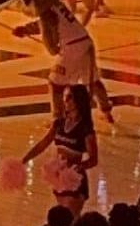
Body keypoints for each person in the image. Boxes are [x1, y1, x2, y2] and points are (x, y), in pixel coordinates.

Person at [25, 81, 100, 210]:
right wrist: (24, 160)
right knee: (63, 219)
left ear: (78, 100)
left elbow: (93, 159)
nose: (65, 100)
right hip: (59, 179)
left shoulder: (85, 129)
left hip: (74, 181)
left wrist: (76, 168)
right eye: (65, 96)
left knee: (71, 222)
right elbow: (43, 143)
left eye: (69, 97)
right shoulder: (59, 123)